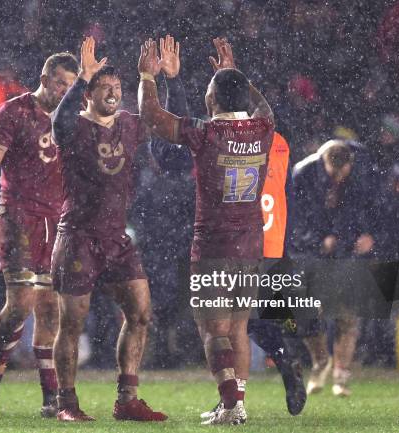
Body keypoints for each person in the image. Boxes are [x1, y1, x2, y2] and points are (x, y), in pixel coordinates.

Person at [138, 36, 274, 425]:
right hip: (250, 243)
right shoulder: (264, 128)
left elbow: (151, 117)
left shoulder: (206, 133)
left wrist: (148, 76)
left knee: (213, 329)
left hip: (213, 243)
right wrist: (234, 75)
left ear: (212, 101)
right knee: (239, 327)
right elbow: (264, 107)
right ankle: (238, 404)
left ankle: (230, 405)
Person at [50, 36, 167, 422]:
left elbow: (162, 120)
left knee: (140, 312)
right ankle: (66, 403)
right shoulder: (73, 127)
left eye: (118, 88)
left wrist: (152, 77)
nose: (114, 93)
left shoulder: (130, 125)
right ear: (89, 95)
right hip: (78, 237)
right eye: (106, 88)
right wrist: (83, 77)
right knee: (72, 322)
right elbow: (57, 120)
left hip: (117, 238)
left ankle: (127, 399)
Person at [0, 52, 79, 417]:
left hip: (58, 220)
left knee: (51, 310)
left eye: (70, 85)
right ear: (45, 77)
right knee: (20, 304)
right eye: (60, 82)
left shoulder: (73, 120)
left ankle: (50, 396)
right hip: (19, 215)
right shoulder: (15, 112)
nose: (64, 91)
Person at [291, 139, 376, 397]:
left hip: (347, 249)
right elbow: (293, 218)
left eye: (344, 173)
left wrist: (370, 236)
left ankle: (341, 375)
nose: (339, 178)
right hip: (310, 252)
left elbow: (374, 207)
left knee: (347, 313)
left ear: (351, 164)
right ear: (324, 163)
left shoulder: (363, 170)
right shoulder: (303, 174)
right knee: (306, 311)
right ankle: (320, 362)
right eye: (333, 173)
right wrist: (317, 241)